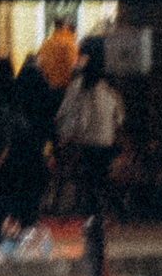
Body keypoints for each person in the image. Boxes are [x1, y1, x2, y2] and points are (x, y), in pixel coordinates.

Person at [54, 44, 126, 222]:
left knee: (91, 178)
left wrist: (68, 134)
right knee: (101, 177)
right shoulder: (109, 87)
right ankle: (114, 209)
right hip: (107, 141)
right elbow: (119, 118)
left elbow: (73, 115)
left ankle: (94, 213)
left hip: (88, 142)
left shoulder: (80, 86)